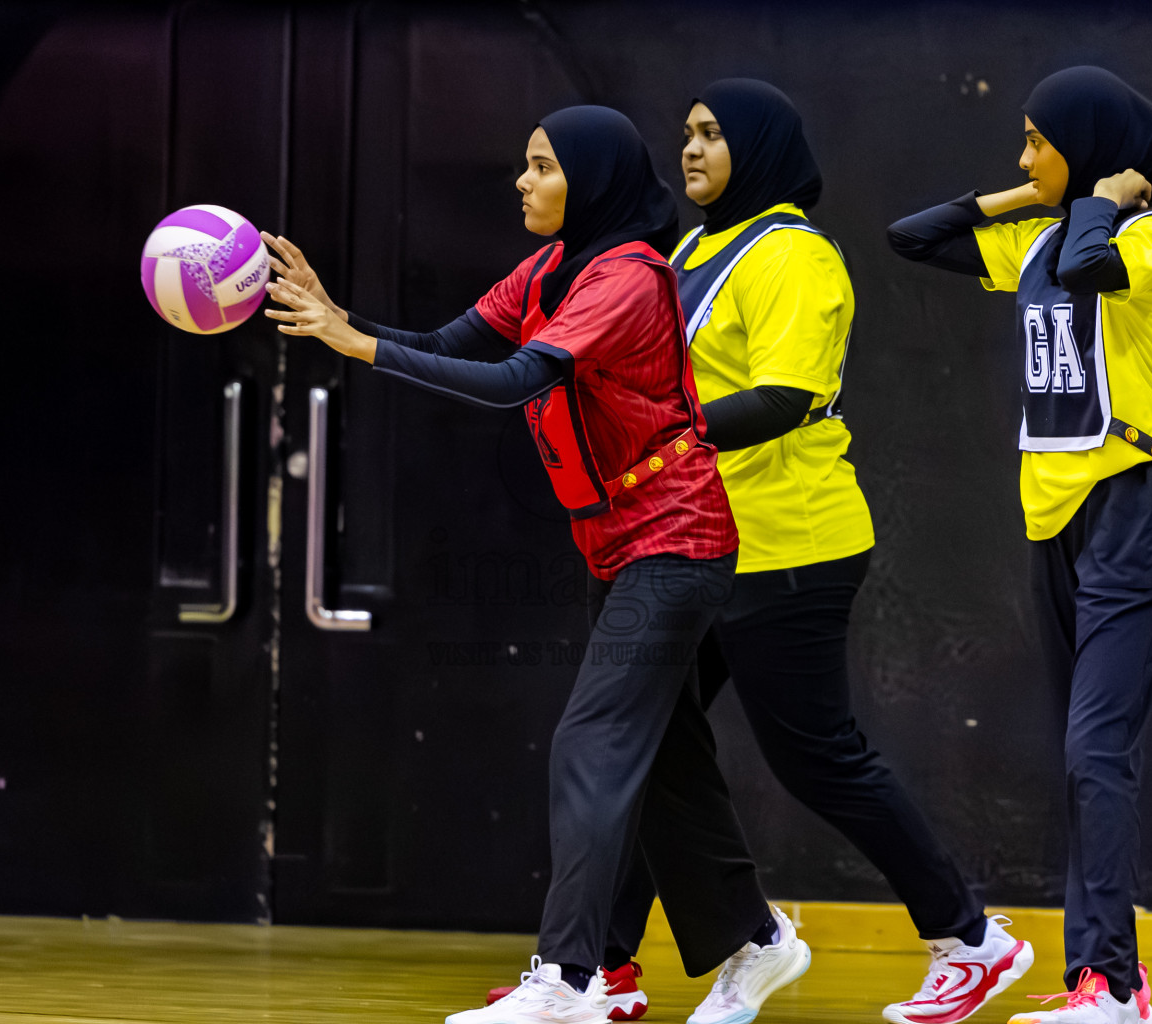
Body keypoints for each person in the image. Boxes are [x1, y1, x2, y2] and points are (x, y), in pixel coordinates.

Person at [494, 77, 1031, 1024]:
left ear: (761, 147)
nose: (693, 150)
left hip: (790, 545)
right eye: (687, 135)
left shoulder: (794, 255)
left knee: (817, 758)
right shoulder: (693, 247)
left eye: (713, 135)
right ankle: (607, 968)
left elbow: (785, 396)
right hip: (694, 544)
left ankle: (973, 941)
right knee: (641, 740)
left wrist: (659, 434)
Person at [264, 105, 810, 1024]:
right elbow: (447, 346)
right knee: (668, 763)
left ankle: (567, 979)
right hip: (618, 545)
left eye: (542, 166)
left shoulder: (627, 279)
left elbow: (518, 378)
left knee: (589, 744)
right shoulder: (551, 270)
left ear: (588, 180)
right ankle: (759, 942)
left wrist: (357, 345)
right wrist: (336, 321)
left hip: (675, 542)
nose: (523, 181)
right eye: (525, 165)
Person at [888, 66, 1152, 1024]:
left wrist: (1103, 198)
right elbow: (914, 237)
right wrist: (1034, 193)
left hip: (1130, 509)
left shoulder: (1151, 236)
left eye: (1037, 141)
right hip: (1051, 520)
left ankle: (1104, 985)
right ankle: (1114, 976)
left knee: (1095, 752)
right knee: (1085, 756)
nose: (1021, 156)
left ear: (1093, 146)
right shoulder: (1038, 236)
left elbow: (1089, 268)